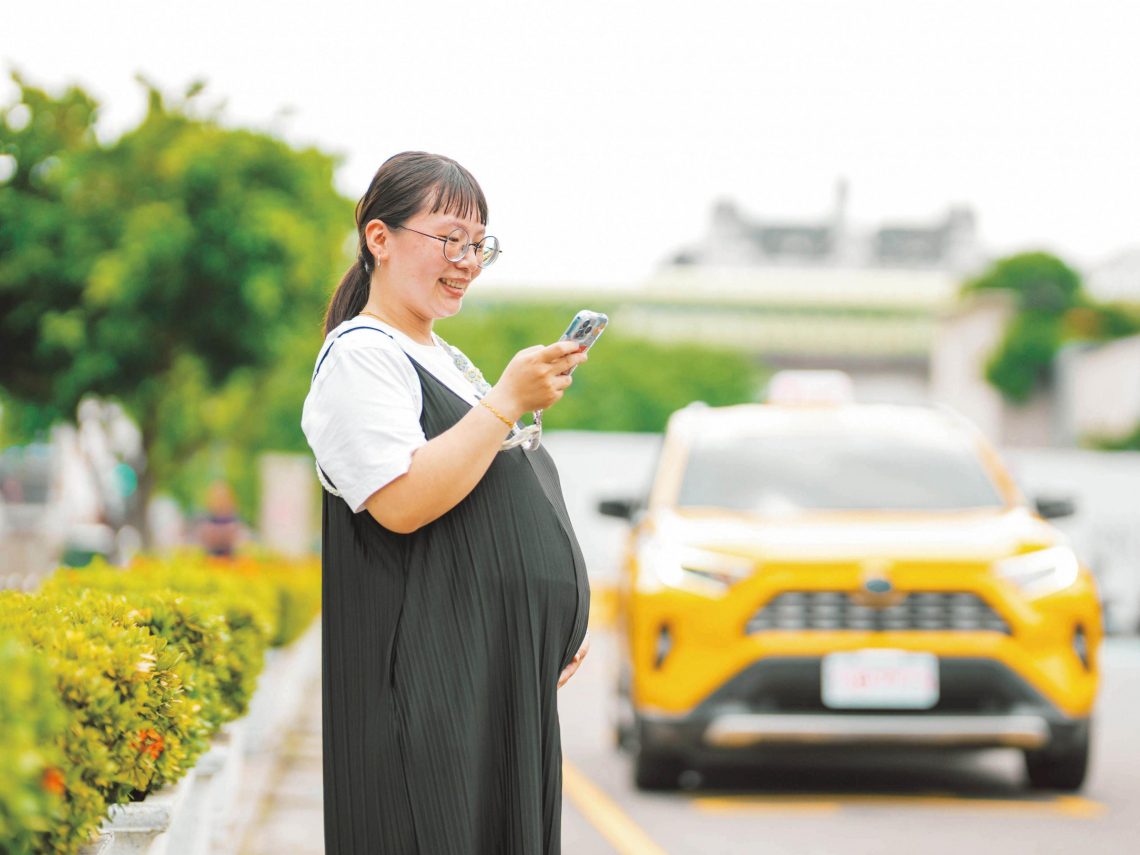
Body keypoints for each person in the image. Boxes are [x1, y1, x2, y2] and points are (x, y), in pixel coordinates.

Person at [301, 152, 591, 855]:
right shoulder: (362, 355)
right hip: (426, 691)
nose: (467, 262)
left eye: (479, 244)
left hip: (487, 681)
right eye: (450, 239)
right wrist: (506, 401)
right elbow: (402, 501)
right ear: (379, 238)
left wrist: (547, 620)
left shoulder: (440, 355)